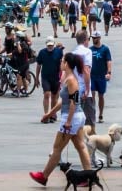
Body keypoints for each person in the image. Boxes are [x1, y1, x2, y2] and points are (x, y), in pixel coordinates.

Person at [29, 53, 92, 186]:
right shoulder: (68, 78)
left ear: (67, 64)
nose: (60, 63)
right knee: (80, 146)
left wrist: (68, 121)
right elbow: (63, 101)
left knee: (57, 148)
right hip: (76, 117)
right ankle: (88, 176)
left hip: (72, 117)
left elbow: (74, 102)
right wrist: (49, 114)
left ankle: (44, 176)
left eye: (62, 61)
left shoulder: (71, 80)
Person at [36, 37, 64, 121]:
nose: (50, 47)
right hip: (45, 77)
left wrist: (63, 77)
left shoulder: (58, 52)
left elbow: (62, 64)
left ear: (54, 45)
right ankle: (46, 114)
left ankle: (52, 114)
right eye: (48, 45)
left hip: (55, 77)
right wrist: (37, 78)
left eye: (51, 45)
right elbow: (38, 65)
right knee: (47, 94)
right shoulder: (42, 52)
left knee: (54, 96)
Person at [72, 31, 95, 132]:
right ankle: (90, 143)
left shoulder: (73, 53)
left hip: (74, 90)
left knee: (76, 116)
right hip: (83, 89)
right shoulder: (87, 52)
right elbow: (86, 70)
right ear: (86, 40)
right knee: (89, 119)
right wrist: (87, 89)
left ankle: (79, 140)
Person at [90, 31, 112, 124]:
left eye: (96, 38)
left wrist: (109, 72)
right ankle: (93, 113)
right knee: (92, 95)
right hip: (92, 76)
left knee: (101, 96)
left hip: (101, 76)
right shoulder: (90, 49)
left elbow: (109, 61)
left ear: (99, 38)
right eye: (93, 38)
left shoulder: (105, 49)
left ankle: (101, 114)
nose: (94, 39)